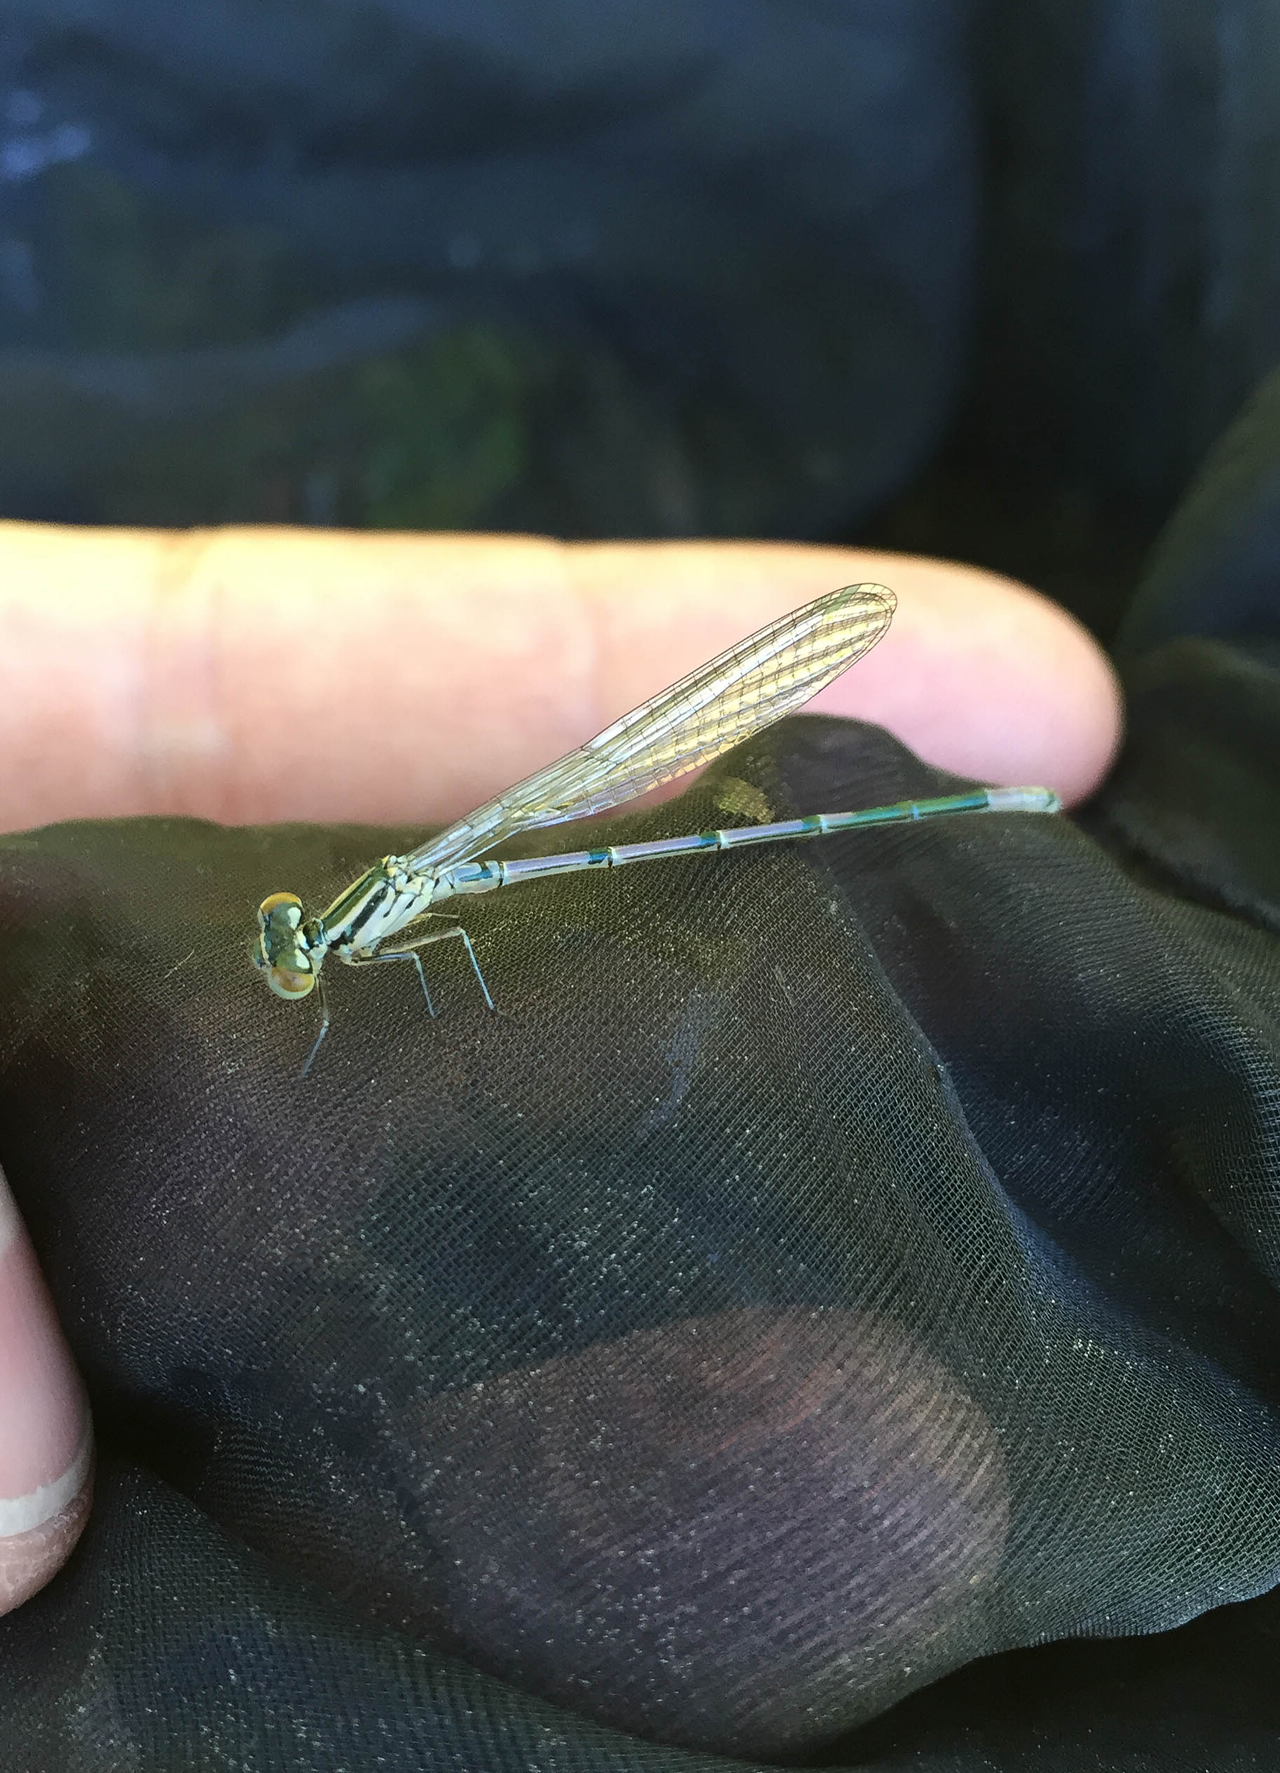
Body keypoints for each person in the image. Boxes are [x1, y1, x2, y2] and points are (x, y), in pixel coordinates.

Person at [0, 522, 1120, 1618]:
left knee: (677, 849)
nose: (291, 943)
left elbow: (438, 965)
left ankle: (990, 801)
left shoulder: (381, 920)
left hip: (568, 827)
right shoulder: (352, 930)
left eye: (293, 938)